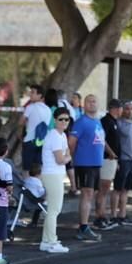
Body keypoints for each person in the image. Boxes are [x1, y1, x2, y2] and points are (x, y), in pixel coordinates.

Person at [69, 94, 105, 242]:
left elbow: (101, 141)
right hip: (84, 164)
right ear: (84, 105)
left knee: (90, 194)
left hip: (96, 164)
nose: (92, 104)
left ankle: (85, 225)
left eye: (95, 101)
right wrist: (71, 159)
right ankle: (83, 227)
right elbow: (71, 143)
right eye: (89, 101)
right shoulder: (80, 122)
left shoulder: (97, 122)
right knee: (87, 194)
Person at [39, 108, 72, 253]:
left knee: (53, 210)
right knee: (54, 210)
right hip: (52, 175)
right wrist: (68, 157)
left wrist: (67, 156)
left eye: (67, 119)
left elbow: (65, 155)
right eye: (61, 119)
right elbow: (61, 159)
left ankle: (47, 241)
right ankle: (51, 242)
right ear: (55, 120)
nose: (64, 122)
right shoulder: (55, 136)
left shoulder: (62, 135)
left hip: (56, 174)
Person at [94, 99, 122, 231]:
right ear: (115, 108)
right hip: (106, 159)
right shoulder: (106, 121)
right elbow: (101, 139)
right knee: (103, 189)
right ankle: (100, 217)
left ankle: (102, 216)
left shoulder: (114, 121)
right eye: (121, 108)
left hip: (112, 160)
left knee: (105, 189)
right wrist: (111, 153)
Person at [111, 100, 132, 226]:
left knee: (126, 189)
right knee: (117, 188)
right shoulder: (119, 123)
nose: (130, 111)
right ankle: (113, 215)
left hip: (131, 160)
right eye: (127, 109)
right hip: (122, 159)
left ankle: (122, 214)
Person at [19, 84, 50, 176]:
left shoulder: (30, 107)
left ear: (40, 95)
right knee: (38, 168)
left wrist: (21, 131)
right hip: (41, 141)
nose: (30, 95)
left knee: (26, 168)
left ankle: (27, 188)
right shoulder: (48, 110)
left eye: (33, 92)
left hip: (29, 140)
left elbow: (21, 122)